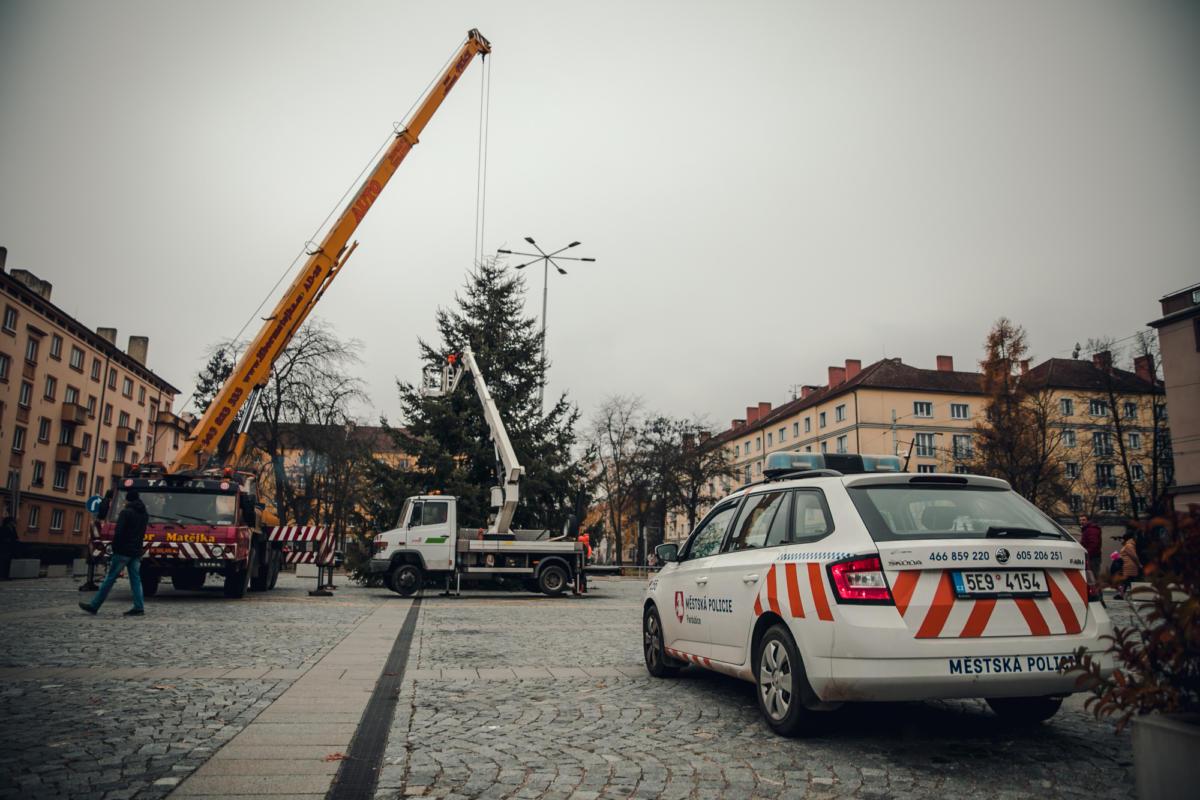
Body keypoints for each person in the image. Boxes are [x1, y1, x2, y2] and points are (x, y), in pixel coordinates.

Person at [80, 491, 148, 616]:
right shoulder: (144, 514)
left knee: (110, 578)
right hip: (136, 551)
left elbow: (119, 532)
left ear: (128, 501)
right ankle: (139, 607)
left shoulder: (126, 512)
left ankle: (94, 605)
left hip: (123, 551)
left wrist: (115, 548)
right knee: (136, 580)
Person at [1116, 532, 1142, 600]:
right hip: (1127, 565)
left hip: (1129, 566)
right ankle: (1121, 594)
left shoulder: (1129, 545)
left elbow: (1134, 556)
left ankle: (1121, 594)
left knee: (1126, 581)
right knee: (1127, 581)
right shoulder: (1128, 544)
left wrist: (1139, 564)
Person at [0, 514, 18, 581]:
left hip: (10, 548)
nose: (14, 522)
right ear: (9, 522)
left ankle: (6, 576)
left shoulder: (13, 529)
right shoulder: (3, 528)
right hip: (4, 548)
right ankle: (2, 576)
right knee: (3, 562)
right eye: (12, 521)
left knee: (8, 562)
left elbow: (16, 537)